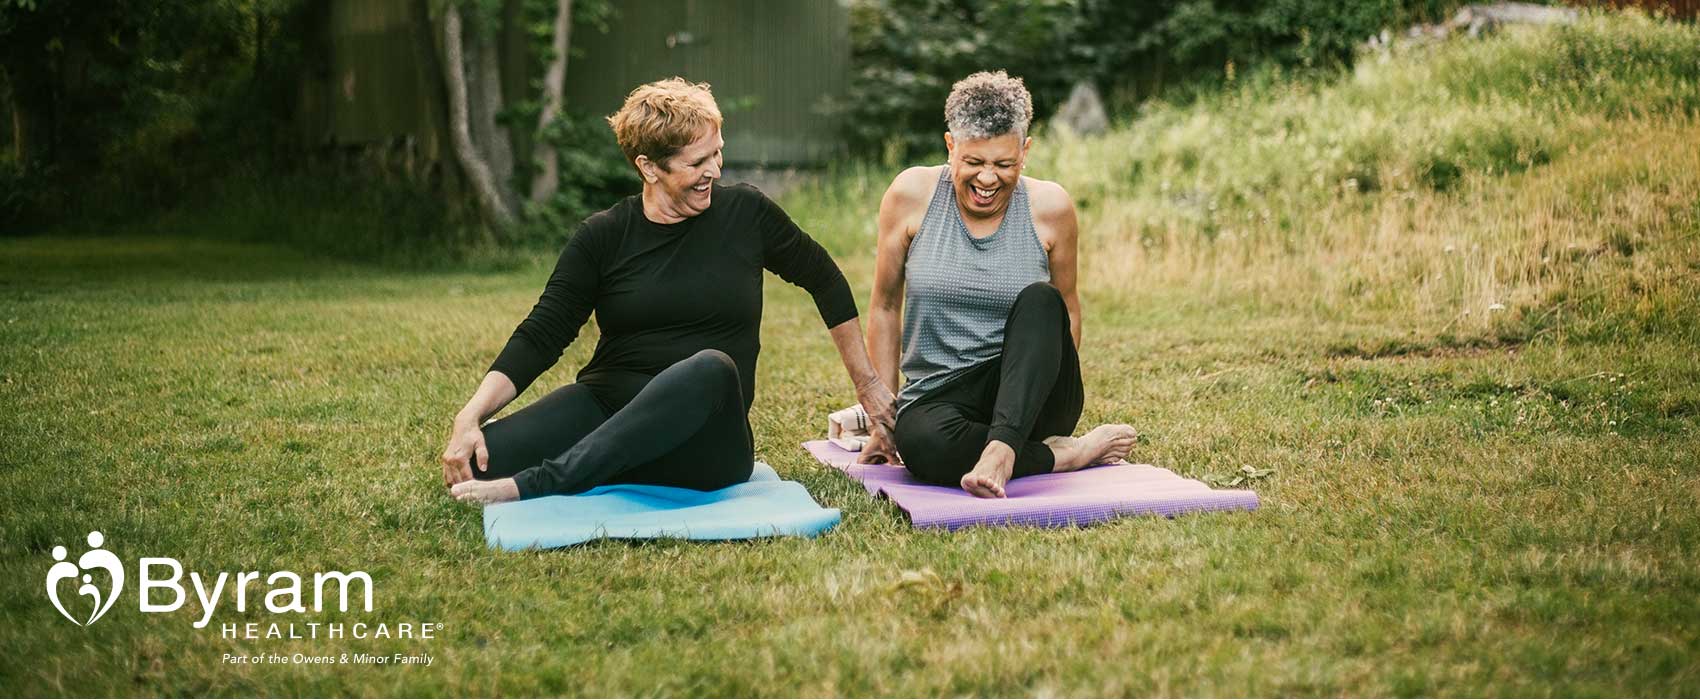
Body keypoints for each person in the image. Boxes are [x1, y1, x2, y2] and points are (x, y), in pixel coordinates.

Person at [443, 77, 897, 504]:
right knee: (480, 463)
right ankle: (609, 462)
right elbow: (542, 333)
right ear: (648, 167)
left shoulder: (746, 213)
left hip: (706, 436)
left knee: (711, 368)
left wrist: (868, 383)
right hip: (610, 405)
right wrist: (471, 415)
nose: (714, 171)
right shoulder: (603, 236)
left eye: (717, 154)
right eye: (697, 162)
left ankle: (546, 482)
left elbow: (825, 279)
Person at [863, 71, 1136, 498]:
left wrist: (1033, 397)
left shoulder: (1051, 207)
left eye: (1003, 164)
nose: (987, 179)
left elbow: (1067, 314)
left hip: (1028, 394)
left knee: (1043, 301)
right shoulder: (910, 195)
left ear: (1024, 152)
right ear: (951, 146)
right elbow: (883, 306)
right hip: (941, 396)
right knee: (921, 445)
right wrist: (882, 420)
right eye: (973, 162)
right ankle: (1064, 456)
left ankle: (1006, 447)